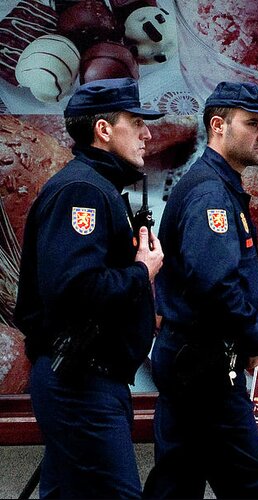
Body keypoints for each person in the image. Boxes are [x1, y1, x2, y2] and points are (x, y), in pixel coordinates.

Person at [13, 77, 165, 498]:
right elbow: (75, 289)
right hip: (80, 385)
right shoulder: (82, 191)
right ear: (103, 129)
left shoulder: (97, 188)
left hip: (87, 381)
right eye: (135, 122)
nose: (147, 133)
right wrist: (142, 270)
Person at [142, 82, 258, 499]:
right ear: (218, 126)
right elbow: (216, 283)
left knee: (177, 480)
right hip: (205, 365)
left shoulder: (215, 185)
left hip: (190, 359)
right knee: (252, 484)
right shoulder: (210, 194)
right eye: (253, 123)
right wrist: (253, 339)